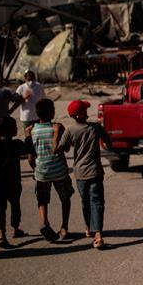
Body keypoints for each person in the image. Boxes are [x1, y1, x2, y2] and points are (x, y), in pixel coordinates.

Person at [58, 100, 111, 249]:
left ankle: (88, 227)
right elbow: (108, 143)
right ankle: (98, 234)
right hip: (95, 171)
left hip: (80, 173)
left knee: (85, 201)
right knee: (97, 202)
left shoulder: (70, 131)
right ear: (84, 113)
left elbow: (62, 148)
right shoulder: (96, 128)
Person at [27, 98, 72, 242]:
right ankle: (64, 227)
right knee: (65, 198)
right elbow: (66, 148)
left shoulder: (32, 130)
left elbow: (30, 157)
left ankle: (44, 222)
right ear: (52, 113)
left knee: (42, 200)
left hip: (42, 171)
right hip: (59, 171)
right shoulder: (57, 128)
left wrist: (36, 169)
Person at [0, 117, 30, 249]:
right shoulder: (16, 144)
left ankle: (1, 233)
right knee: (15, 206)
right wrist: (28, 135)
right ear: (11, 130)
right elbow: (29, 148)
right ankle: (15, 228)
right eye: (15, 127)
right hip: (13, 182)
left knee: (0, 209)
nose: (17, 129)